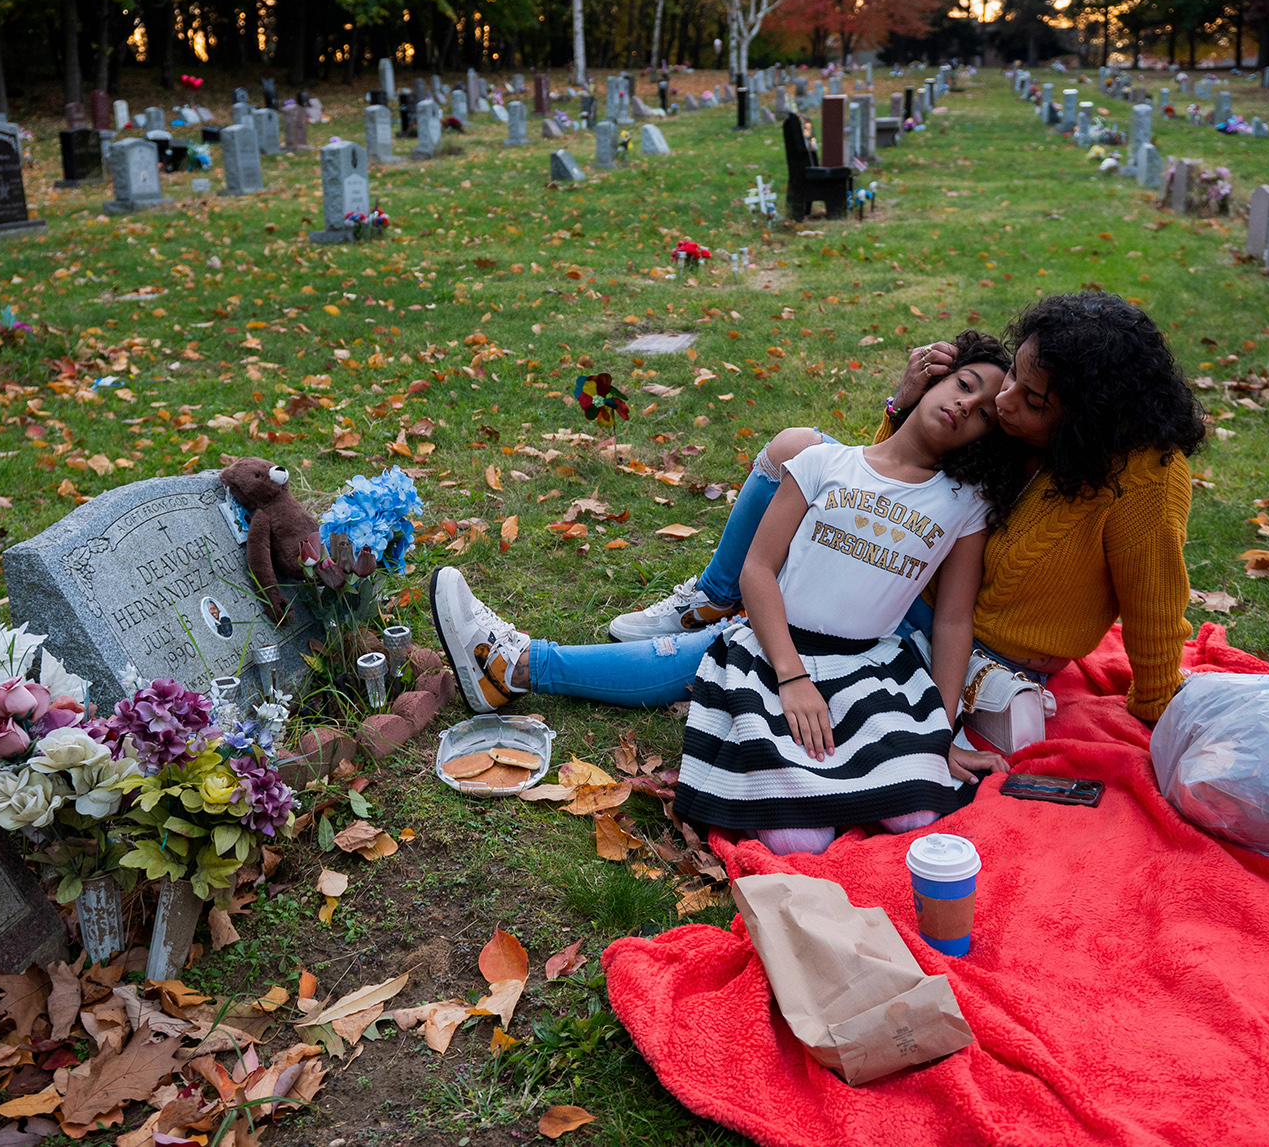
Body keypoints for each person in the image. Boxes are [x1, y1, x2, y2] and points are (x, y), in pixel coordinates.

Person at [431, 333, 1023, 853]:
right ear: (932, 374)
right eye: (963, 384)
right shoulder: (822, 463)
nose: (965, 405)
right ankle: (517, 664)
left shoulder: (962, 504)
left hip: (869, 665)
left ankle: (518, 665)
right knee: (797, 837)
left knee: (918, 809)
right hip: (773, 648)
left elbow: (951, 622)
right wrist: (792, 678)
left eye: (981, 413)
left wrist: (938, 733)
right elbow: (757, 571)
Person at [605, 292, 1205, 725]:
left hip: (964, 637)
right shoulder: (1027, 424)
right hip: (913, 580)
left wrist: (1156, 708)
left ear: (1090, 418)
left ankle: (543, 664)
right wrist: (902, 407)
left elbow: (1155, 598)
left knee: (745, 648)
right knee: (796, 449)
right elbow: (898, 479)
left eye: (1033, 399)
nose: (1005, 399)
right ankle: (716, 595)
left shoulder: (1145, 476)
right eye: (1011, 377)